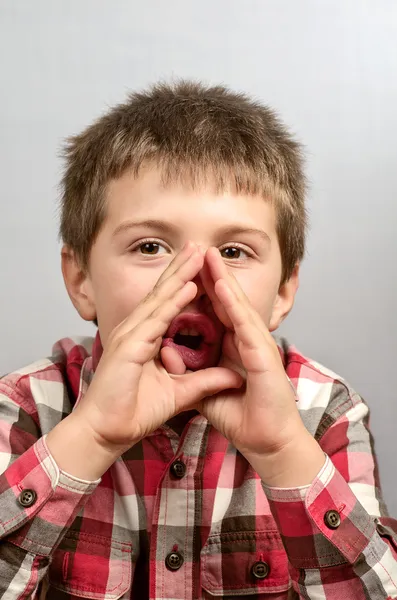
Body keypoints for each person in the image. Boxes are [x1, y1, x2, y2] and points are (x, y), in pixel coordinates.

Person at [0, 81, 396, 600]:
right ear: (81, 280)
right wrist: (91, 436)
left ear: (282, 291)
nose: (194, 281)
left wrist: (283, 452)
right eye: (150, 246)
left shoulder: (325, 412)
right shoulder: (26, 406)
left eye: (233, 252)